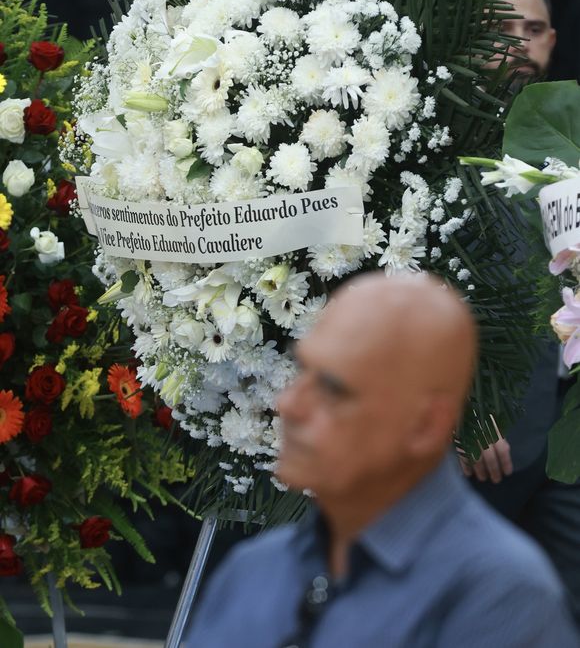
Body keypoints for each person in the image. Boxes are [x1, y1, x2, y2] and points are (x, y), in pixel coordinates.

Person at [186, 272, 577, 647]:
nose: (289, 405)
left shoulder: (498, 594)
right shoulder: (253, 570)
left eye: (333, 389)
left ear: (426, 425)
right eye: (302, 371)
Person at [464, 0, 580, 629]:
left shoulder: (575, 137)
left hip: (569, 437)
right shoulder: (440, 139)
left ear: (553, 41)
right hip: (486, 439)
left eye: (532, 30)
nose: (519, 44)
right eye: (503, 31)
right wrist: (463, 407)